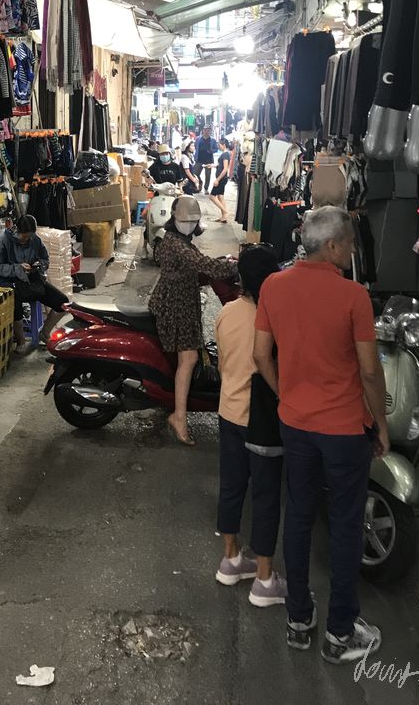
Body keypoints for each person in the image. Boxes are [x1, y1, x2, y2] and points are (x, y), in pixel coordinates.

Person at [253, 206, 389, 664]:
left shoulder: (274, 286)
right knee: (346, 526)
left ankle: (298, 619)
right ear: (331, 246)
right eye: (349, 244)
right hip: (345, 429)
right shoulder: (354, 296)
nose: (352, 251)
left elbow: (261, 356)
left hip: (296, 424)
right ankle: (340, 633)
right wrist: (381, 423)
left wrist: (285, 393)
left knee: (298, 516)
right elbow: (369, 371)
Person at [215, 245, 286, 608]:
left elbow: (223, 363)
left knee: (231, 486)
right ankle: (264, 579)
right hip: (261, 420)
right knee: (266, 495)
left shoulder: (226, 312)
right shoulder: (275, 317)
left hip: (228, 411)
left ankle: (231, 560)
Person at [149, 196, 237, 446]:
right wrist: (237, 266)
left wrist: (225, 260)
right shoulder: (174, 244)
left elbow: (200, 263)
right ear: (174, 218)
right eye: (185, 220)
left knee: (188, 358)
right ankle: (179, 416)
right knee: (189, 359)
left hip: (182, 302)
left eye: (193, 221)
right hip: (175, 307)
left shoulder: (179, 240)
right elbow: (202, 264)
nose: (189, 225)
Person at [0, 215, 69, 355]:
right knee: (15, 303)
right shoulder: (3, 241)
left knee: (63, 303)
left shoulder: (35, 240)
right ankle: (21, 341)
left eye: (29, 237)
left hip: (31, 280)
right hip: (10, 281)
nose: (26, 240)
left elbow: (45, 258)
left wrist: (39, 265)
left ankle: (44, 333)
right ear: (17, 230)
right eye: (24, 237)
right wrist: (17, 268)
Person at [209, 138, 232, 222]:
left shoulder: (225, 154)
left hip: (221, 178)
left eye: (219, 145)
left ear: (224, 145)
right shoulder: (225, 154)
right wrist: (213, 166)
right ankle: (224, 217)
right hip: (222, 178)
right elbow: (221, 166)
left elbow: (225, 169)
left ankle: (226, 212)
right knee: (220, 197)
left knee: (212, 196)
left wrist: (217, 180)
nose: (218, 146)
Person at [195, 126, 218, 191]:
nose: (206, 131)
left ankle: (206, 188)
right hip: (199, 159)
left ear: (210, 131)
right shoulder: (198, 139)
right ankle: (200, 182)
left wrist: (211, 151)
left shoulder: (212, 140)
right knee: (195, 173)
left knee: (208, 175)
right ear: (203, 130)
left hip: (208, 160)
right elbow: (195, 146)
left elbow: (216, 149)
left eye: (208, 130)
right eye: (205, 130)